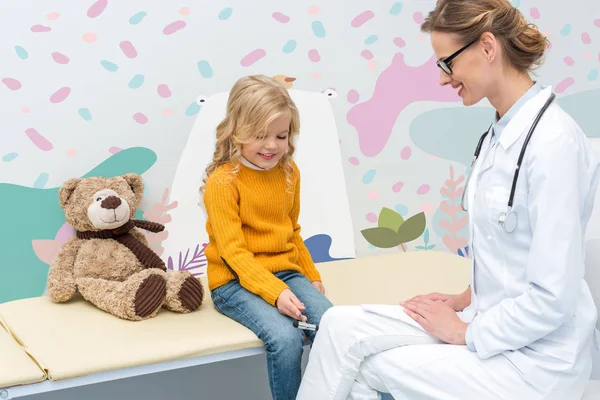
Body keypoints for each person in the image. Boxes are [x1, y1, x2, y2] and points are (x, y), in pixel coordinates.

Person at [297, 0, 600, 399]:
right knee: (338, 326)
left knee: (365, 364)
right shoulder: (499, 134)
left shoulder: (553, 143)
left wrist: (466, 331)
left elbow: (553, 298)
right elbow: (513, 249)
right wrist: (464, 299)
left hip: (537, 361)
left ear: (487, 47)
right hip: (491, 322)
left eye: (447, 63)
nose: (443, 79)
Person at [201, 74, 333, 400]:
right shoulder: (224, 182)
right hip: (233, 281)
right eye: (260, 135)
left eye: (281, 135)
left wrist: (311, 276)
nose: (272, 145)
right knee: (285, 339)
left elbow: (293, 231)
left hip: (285, 273)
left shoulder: (289, 173)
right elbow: (234, 253)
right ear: (237, 131)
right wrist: (276, 294)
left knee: (332, 324)